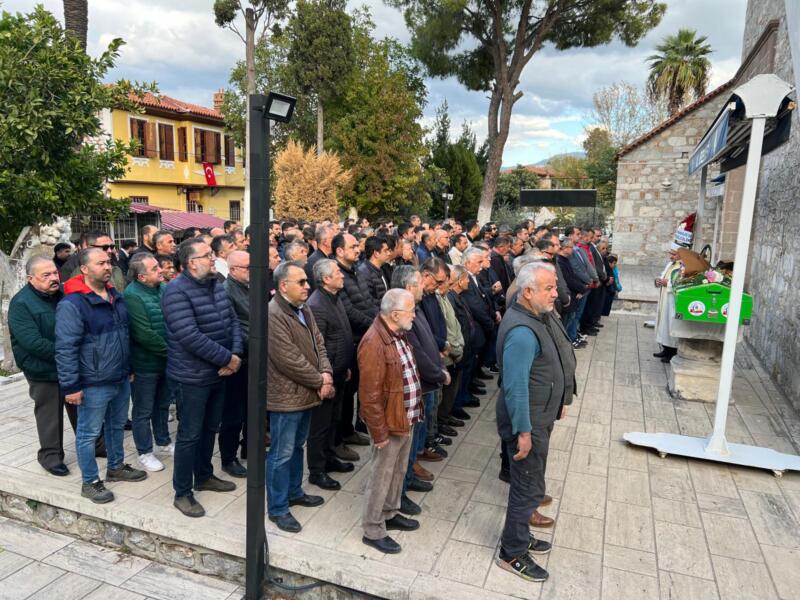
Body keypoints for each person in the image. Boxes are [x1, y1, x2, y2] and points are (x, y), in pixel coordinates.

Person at [495, 262, 576, 582]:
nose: (555, 293)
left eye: (555, 286)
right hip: (527, 423)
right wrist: (524, 432)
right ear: (527, 292)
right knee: (526, 490)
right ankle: (512, 552)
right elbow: (515, 387)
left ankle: (518, 537)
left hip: (539, 415)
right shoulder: (521, 332)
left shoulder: (536, 315)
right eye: (548, 288)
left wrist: (559, 398)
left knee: (529, 485)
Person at [56, 248, 147, 504]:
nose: (108, 267)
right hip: (93, 381)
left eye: (108, 262)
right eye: (100, 263)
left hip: (119, 376)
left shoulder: (115, 295)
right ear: (84, 269)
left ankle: (116, 467)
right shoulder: (72, 304)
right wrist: (71, 386)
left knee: (116, 426)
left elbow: (124, 336)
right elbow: (65, 348)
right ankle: (90, 481)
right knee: (88, 433)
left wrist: (128, 368)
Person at [163, 238, 242, 518]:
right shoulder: (176, 292)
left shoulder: (216, 284)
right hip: (192, 376)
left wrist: (235, 353)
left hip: (218, 372)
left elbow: (232, 321)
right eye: (207, 255)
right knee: (190, 435)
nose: (213, 258)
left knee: (210, 428)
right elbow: (189, 336)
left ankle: (204, 475)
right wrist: (227, 359)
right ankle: (182, 492)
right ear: (191, 262)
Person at [266, 261, 333, 533]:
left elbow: (319, 343)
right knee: (281, 453)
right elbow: (288, 359)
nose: (308, 286)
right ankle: (278, 507)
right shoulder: (273, 314)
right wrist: (320, 381)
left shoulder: (304, 308)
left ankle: (294, 492)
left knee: (296, 447)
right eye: (302, 282)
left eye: (307, 281)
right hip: (287, 396)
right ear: (284, 286)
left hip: (307, 392)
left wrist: (326, 372)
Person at [358, 289, 422, 554]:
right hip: (389, 422)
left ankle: (390, 512)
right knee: (381, 476)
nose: (415, 315)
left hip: (404, 417)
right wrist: (379, 433)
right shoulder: (374, 342)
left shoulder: (397, 334)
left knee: (397, 471)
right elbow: (369, 395)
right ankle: (372, 529)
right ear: (395, 314)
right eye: (411, 310)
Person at [8, 257, 76, 476]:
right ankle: (51, 457)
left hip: (70, 365)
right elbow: (33, 343)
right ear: (30, 278)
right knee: (50, 413)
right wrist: (67, 353)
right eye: (46, 275)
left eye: (55, 273)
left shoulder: (65, 294)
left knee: (80, 407)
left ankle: (96, 445)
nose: (54, 278)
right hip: (43, 368)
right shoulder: (21, 303)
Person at [305, 259, 356, 490]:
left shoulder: (335, 298)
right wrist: (324, 376)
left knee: (333, 420)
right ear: (326, 279)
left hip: (339, 371)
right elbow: (318, 346)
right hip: (327, 376)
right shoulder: (316, 304)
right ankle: (317, 470)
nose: (342, 275)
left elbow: (341, 334)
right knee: (320, 425)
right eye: (337, 273)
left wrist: (344, 366)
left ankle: (329, 456)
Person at [123, 254, 172, 473]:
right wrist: (172, 351)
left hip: (166, 362)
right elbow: (143, 333)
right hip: (145, 363)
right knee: (143, 410)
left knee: (162, 404)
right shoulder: (132, 295)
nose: (160, 270)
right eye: (154, 269)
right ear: (141, 277)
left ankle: (163, 441)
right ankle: (144, 452)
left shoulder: (163, 289)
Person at [333, 233, 378, 450]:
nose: (358, 249)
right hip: (350, 340)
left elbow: (368, 302)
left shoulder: (357, 271)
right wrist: (375, 324)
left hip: (364, 339)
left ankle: (349, 431)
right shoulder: (335, 275)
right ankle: (338, 439)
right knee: (344, 393)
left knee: (354, 389)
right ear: (339, 251)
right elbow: (348, 311)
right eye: (352, 246)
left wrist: (378, 319)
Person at [220, 250, 251, 477]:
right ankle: (228, 458)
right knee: (233, 414)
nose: (251, 271)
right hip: (239, 359)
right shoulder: (227, 291)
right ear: (232, 270)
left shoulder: (248, 286)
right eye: (247, 267)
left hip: (253, 357)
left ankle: (249, 447)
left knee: (252, 409)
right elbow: (234, 327)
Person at [62, 231, 127, 291]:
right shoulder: (76, 270)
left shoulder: (116, 268)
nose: (110, 251)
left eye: (112, 247)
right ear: (90, 248)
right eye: (105, 247)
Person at [359, 236, 391, 305]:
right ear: (376, 253)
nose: (389, 253)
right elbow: (369, 302)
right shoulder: (364, 273)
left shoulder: (382, 268)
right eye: (385, 251)